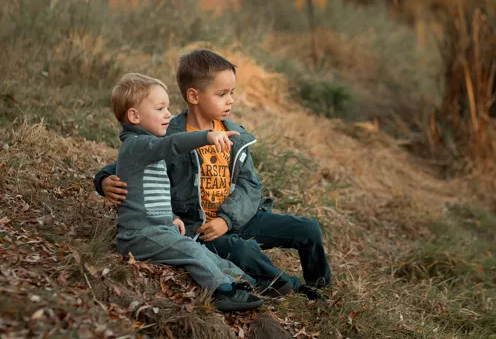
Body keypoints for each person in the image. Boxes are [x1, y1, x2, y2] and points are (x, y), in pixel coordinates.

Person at [94, 50, 331, 299]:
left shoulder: (234, 136)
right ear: (194, 96)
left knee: (308, 229)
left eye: (231, 93)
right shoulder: (168, 134)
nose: (230, 101)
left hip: (237, 218)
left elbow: (250, 184)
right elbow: (129, 161)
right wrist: (103, 180)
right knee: (244, 252)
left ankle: (321, 286)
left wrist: (228, 220)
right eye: (221, 94)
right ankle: (293, 289)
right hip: (201, 228)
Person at [108, 72, 263, 312]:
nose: (169, 114)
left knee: (201, 251)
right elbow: (172, 143)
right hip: (138, 235)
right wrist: (206, 137)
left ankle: (242, 282)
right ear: (134, 116)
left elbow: (149, 195)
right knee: (190, 250)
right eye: (160, 108)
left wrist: (171, 217)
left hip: (158, 228)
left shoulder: (149, 149)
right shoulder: (137, 145)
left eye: (168, 107)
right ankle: (222, 292)